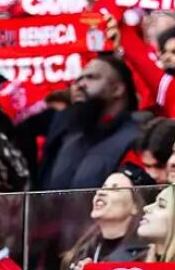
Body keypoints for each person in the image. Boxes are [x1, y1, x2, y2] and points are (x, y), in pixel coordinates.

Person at [36, 54, 142, 193]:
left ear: (117, 89)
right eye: (79, 79)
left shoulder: (138, 139)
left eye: (91, 77)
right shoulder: (68, 136)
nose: (80, 84)